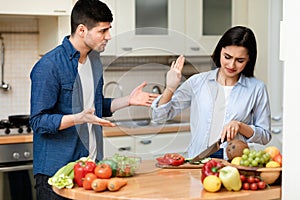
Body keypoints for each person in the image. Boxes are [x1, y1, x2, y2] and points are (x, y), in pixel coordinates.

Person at [29, 0, 158, 199]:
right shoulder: (49, 66)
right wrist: (77, 118)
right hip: (57, 173)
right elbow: (38, 122)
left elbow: (94, 107)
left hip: (91, 170)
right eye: (102, 31)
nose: (109, 36)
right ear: (82, 30)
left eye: (109, 29)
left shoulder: (94, 60)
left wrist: (128, 100)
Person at [151, 26, 272, 160]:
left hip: (235, 161)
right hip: (199, 160)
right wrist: (170, 88)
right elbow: (159, 117)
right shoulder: (198, 82)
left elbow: (265, 135)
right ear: (220, 51)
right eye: (227, 57)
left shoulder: (257, 88)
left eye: (240, 60)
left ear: (249, 59)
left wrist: (240, 126)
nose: (231, 65)